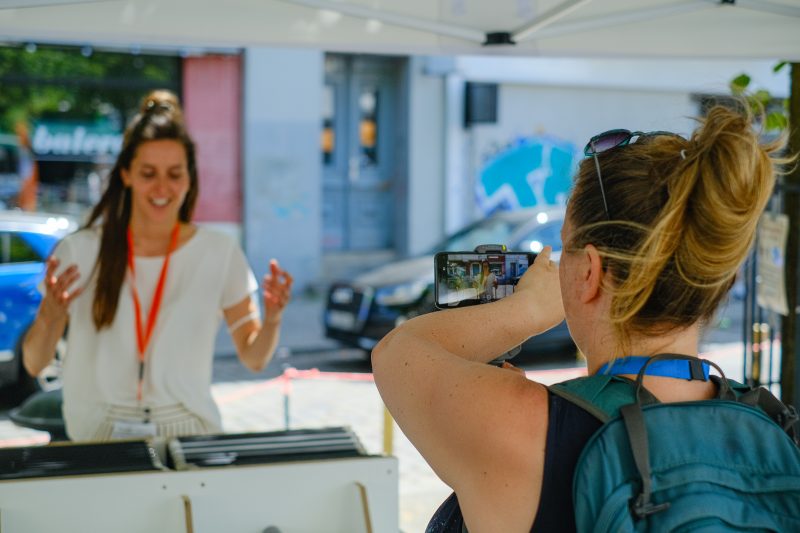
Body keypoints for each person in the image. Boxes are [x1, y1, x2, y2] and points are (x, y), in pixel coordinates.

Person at [372, 105, 787, 531]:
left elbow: (396, 352)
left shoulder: (520, 426)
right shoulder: (779, 430)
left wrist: (526, 309)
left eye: (564, 245)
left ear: (590, 271)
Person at [22, 90, 293, 442]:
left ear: (190, 178)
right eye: (148, 173)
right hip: (96, 435)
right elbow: (33, 363)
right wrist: (50, 316)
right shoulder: (81, 251)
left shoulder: (219, 252)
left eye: (175, 174)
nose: (162, 188)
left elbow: (255, 358)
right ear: (126, 175)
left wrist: (272, 317)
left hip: (190, 433)